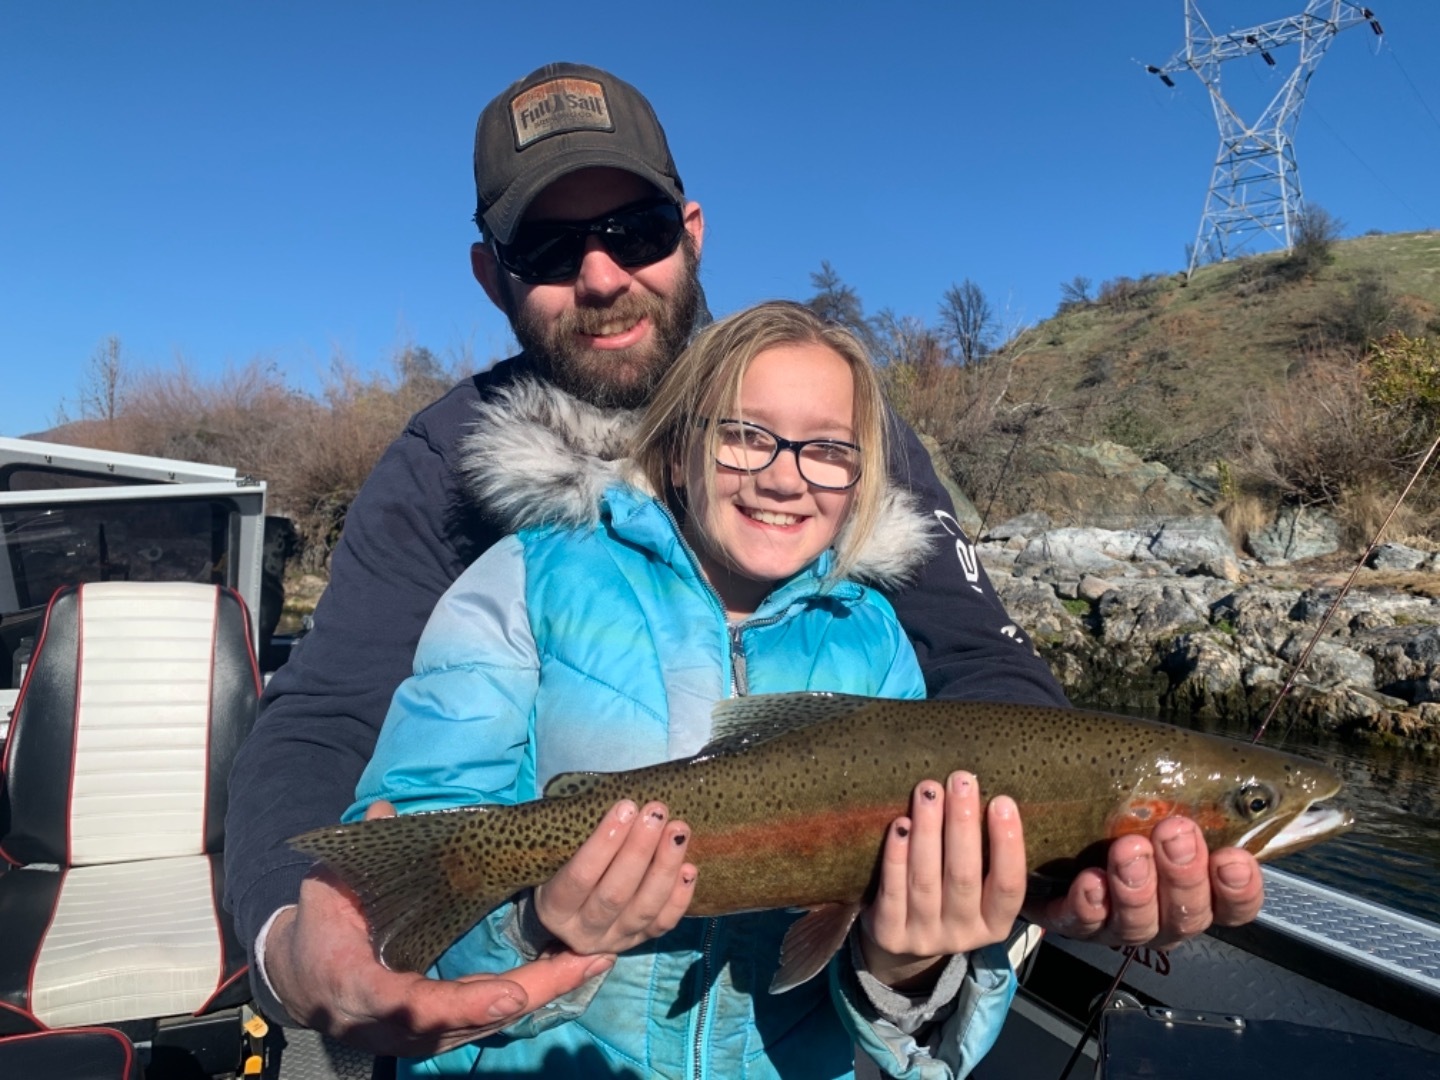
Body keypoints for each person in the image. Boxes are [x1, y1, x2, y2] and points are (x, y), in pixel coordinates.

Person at [223, 61, 1266, 1058]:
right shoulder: (440, 462)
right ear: (491, 275)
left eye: (633, 232)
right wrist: (289, 940)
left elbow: (984, 670)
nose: (600, 276)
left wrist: (1063, 852)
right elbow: (327, 713)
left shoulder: (844, 428)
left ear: (691, 234)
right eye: (548, 250)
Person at [346, 300, 1028, 1078]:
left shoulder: (875, 641)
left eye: (828, 450)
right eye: (743, 435)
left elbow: (875, 997)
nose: (782, 476)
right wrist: (531, 932)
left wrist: (903, 968)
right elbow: (418, 846)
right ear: (675, 452)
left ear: (860, 476)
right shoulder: (531, 578)